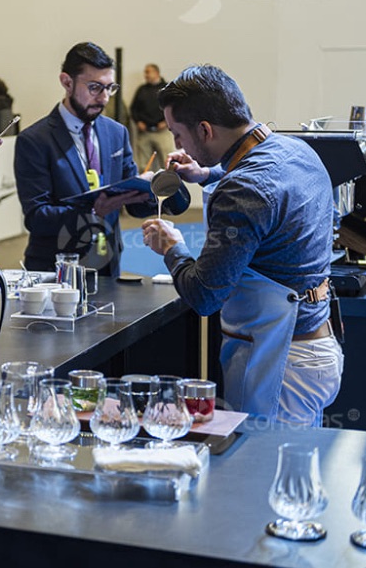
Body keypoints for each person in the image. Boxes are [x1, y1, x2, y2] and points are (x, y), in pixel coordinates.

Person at [141, 64, 342, 426]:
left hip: (282, 362)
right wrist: (206, 173)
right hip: (316, 347)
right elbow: (261, 179)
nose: (177, 146)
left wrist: (172, 247)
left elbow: (205, 295)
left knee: (265, 477)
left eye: (178, 134)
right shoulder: (296, 150)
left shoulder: (243, 190)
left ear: (204, 130)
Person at [14, 42, 174, 277]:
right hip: (56, 269)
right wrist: (91, 212)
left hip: (108, 264)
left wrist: (155, 187)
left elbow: (133, 204)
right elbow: (37, 218)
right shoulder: (34, 140)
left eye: (110, 88)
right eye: (95, 88)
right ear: (66, 82)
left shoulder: (116, 132)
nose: (104, 98)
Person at [130, 63, 174, 168]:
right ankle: (146, 184)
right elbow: (133, 109)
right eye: (145, 72)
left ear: (156, 73)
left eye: (148, 72)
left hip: (162, 132)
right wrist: (138, 122)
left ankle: (170, 184)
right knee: (144, 166)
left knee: (168, 163)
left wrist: (166, 122)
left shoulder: (167, 89)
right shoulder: (142, 90)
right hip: (145, 132)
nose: (146, 75)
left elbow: (175, 108)